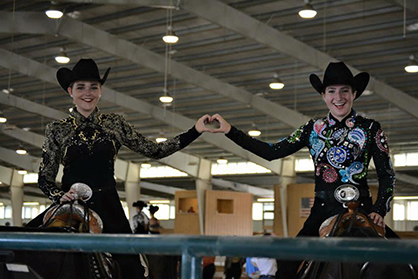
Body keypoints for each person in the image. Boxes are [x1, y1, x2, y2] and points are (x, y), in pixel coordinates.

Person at [27, 58, 212, 279]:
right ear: (70, 91)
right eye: (81, 87)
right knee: (23, 250)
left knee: (131, 266)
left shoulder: (114, 124)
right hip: (71, 205)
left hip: (108, 205)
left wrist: (195, 131)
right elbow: (44, 177)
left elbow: (154, 150)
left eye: (93, 87)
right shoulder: (56, 129)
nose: (88, 93)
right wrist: (60, 196)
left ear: (101, 91)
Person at [210, 62, 397, 278]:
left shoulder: (371, 128)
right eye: (332, 91)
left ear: (354, 93)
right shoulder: (312, 129)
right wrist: (231, 131)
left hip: (363, 209)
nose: (339, 97)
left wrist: (379, 210)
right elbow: (272, 152)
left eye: (345, 90)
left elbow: (387, 174)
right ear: (323, 95)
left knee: (407, 261)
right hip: (322, 211)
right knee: (287, 270)